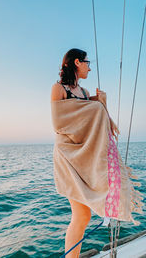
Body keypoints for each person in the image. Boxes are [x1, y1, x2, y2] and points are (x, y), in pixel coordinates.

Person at [50, 48, 121, 257]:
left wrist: (100, 103)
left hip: (84, 156)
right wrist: (95, 105)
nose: (90, 68)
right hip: (67, 157)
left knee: (83, 216)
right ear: (77, 62)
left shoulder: (83, 92)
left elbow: (91, 119)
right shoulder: (59, 88)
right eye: (88, 63)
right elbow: (59, 123)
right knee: (81, 215)